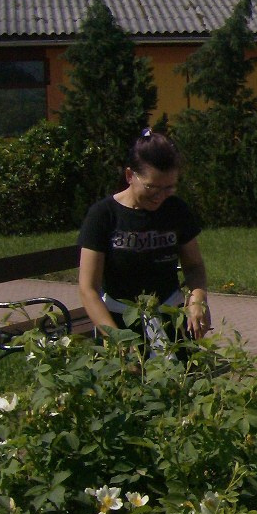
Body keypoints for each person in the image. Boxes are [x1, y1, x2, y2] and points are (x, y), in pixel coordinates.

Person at [77, 130, 210, 351]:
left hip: (171, 321)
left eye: (169, 187)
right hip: (119, 324)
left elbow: (194, 266)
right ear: (130, 175)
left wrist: (198, 298)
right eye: (151, 187)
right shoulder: (103, 215)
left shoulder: (176, 210)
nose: (159, 195)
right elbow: (88, 288)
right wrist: (117, 339)